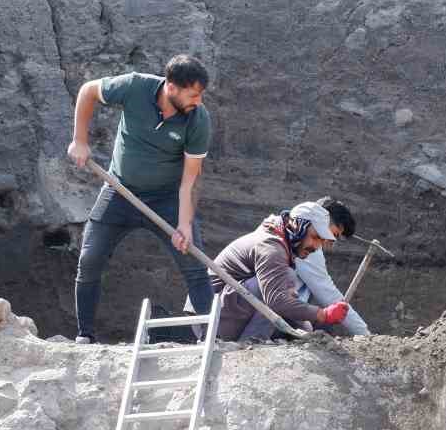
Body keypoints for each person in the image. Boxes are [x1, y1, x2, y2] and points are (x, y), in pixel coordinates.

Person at [66, 54, 213, 344]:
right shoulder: (134, 87)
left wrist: (183, 224)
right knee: (90, 259)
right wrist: (79, 140)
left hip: (167, 198)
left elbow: (190, 179)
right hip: (119, 191)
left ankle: (209, 339)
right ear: (171, 86)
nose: (198, 100)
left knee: (194, 265)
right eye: (193, 94)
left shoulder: (198, 118)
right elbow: (88, 91)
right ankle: (84, 336)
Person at [208, 202, 350, 341]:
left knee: (304, 327)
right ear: (297, 226)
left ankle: (255, 341)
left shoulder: (281, 240)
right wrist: (322, 314)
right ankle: (249, 345)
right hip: (211, 318)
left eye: (321, 241)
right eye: (314, 237)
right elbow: (276, 301)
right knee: (280, 288)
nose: (316, 247)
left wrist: (307, 324)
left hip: (227, 312)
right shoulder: (272, 247)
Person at [293, 198, 371, 336]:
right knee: (319, 329)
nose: (332, 242)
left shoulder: (294, 224)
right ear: (322, 218)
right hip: (272, 310)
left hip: (277, 305)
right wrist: (364, 334)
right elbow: (327, 293)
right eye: (334, 234)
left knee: (322, 326)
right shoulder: (306, 245)